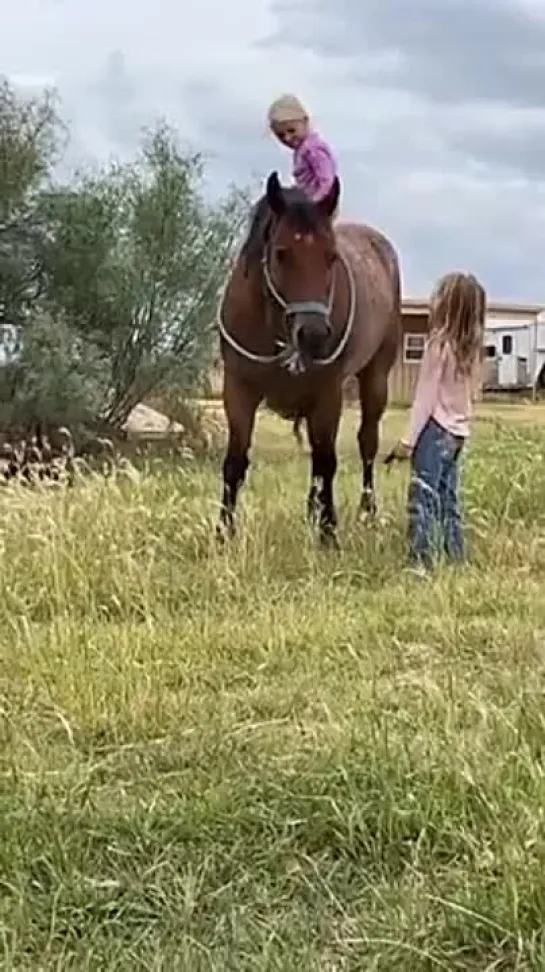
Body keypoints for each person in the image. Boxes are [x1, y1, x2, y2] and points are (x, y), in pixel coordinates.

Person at [389, 271, 486, 572]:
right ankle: (455, 556)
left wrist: (407, 440)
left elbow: (425, 398)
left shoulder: (439, 345)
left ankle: (420, 562)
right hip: (458, 433)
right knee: (448, 498)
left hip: (434, 430)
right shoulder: (471, 349)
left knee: (423, 496)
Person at [241, 94, 339, 270]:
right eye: (281, 135)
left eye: (291, 131)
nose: (287, 138)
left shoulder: (312, 149)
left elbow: (326, 179)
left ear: (305, 122)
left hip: (318, 206)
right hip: (307, 204)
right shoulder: (302, 150)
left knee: (315, 242)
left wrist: (315, 202)